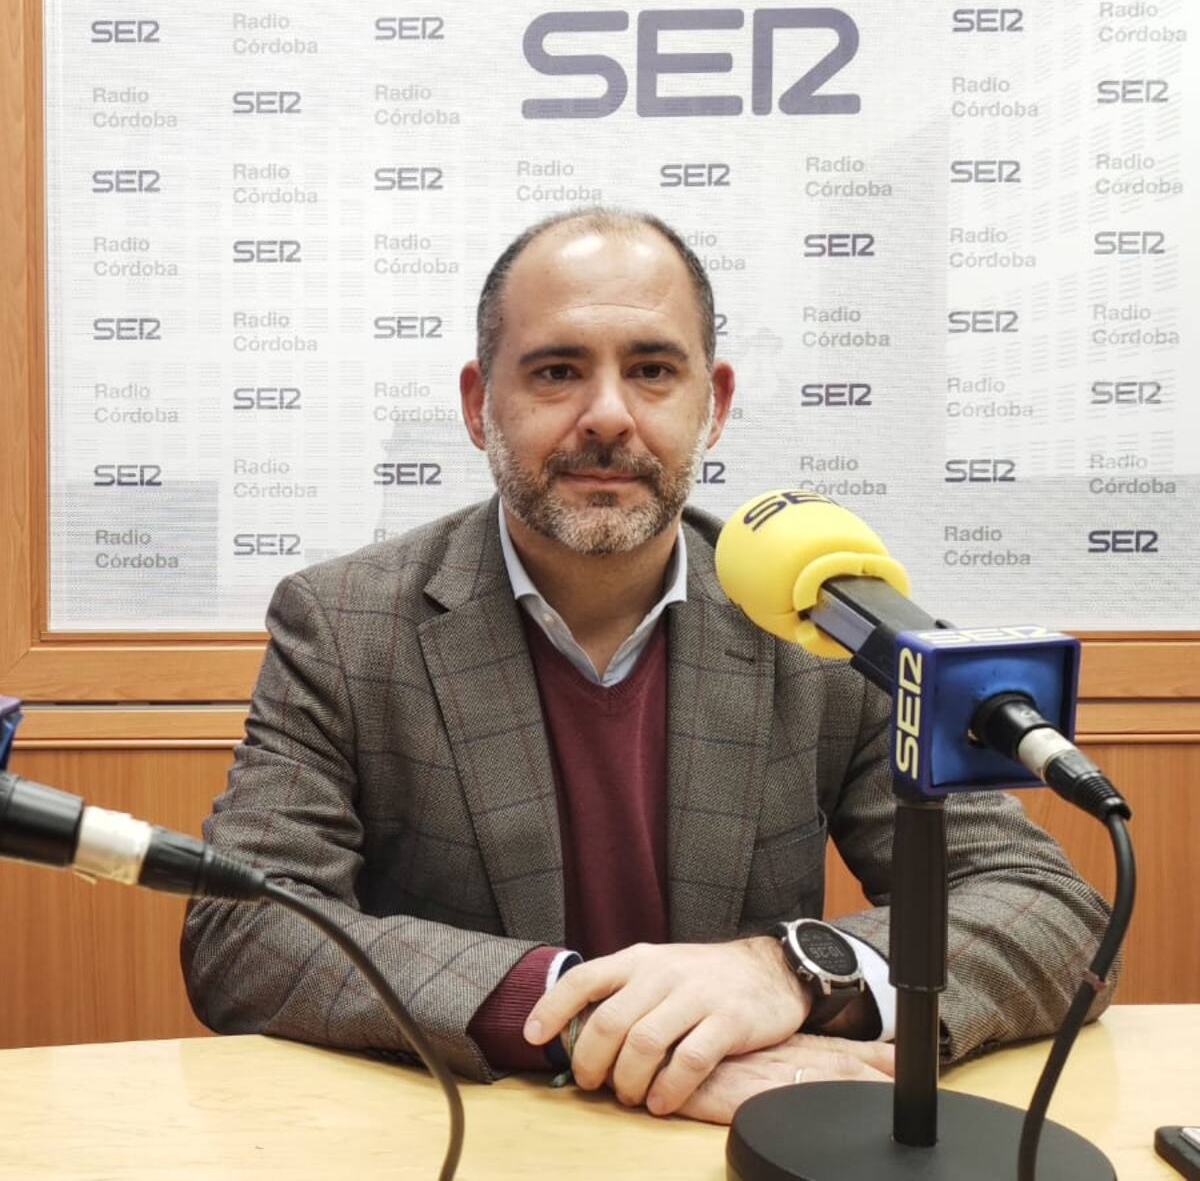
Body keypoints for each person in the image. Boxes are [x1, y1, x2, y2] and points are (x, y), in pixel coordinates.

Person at [182, 207, 1114, 1125]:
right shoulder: (345, 624)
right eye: (556, 371)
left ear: (715, 405)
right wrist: (583, 1019)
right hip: (475, 1135)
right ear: (477, 404)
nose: (607, 416)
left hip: (741, 1140)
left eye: (653, 371)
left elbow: (1045, 908)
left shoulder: (820, 621)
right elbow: (242, 927)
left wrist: (789, 971)